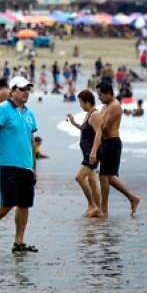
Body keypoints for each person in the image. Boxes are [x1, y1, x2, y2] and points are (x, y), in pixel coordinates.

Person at [0, 76, 38, 253]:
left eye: (28, 89)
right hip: (6, 163)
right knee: (8, 201)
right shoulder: (2, 109)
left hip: (25, 165)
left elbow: (31, 141)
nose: (26, 92)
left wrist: (33, 167)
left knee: (24, 203)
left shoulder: (29, 113)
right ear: (12, 91)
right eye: (22, 89)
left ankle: (19, 242)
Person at [96, 82, 141, 216]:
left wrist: (96, 123)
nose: (99, 98)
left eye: (101, 95)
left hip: (112, 143)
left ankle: (104, 210)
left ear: (109, 93)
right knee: (107, 178)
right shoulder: (105, 106)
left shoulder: (115, 106)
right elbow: (98, 123)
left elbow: (104, 126)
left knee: (104, 177)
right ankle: (133, 198)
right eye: (98, 95)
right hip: (105, 142)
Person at [66, 89, 103, 218]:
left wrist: (93, 152)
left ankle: (92, 205)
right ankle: (98, 209)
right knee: (92, 181)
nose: (80, 105)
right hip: (87, 152)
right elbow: (84, 129)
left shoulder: (95, 114)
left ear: (87, 102)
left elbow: (99, 133)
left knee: (79, 177)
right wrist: (73, 122)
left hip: (92, 153)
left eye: (81, 102)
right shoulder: (88, 114)